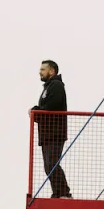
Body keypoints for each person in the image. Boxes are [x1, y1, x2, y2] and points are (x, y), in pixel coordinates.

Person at [31, 60, 72, 199]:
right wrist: (37, 112)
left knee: (52, 164)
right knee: (48, 166)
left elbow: (51, 107)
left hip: (55, 133)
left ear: (51, 71)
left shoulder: (56, 85)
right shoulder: (48, 87)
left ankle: (64, 193)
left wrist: (36, 111)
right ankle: (58, 193)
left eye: (43, 69)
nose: (40, 72)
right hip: (47, 134)